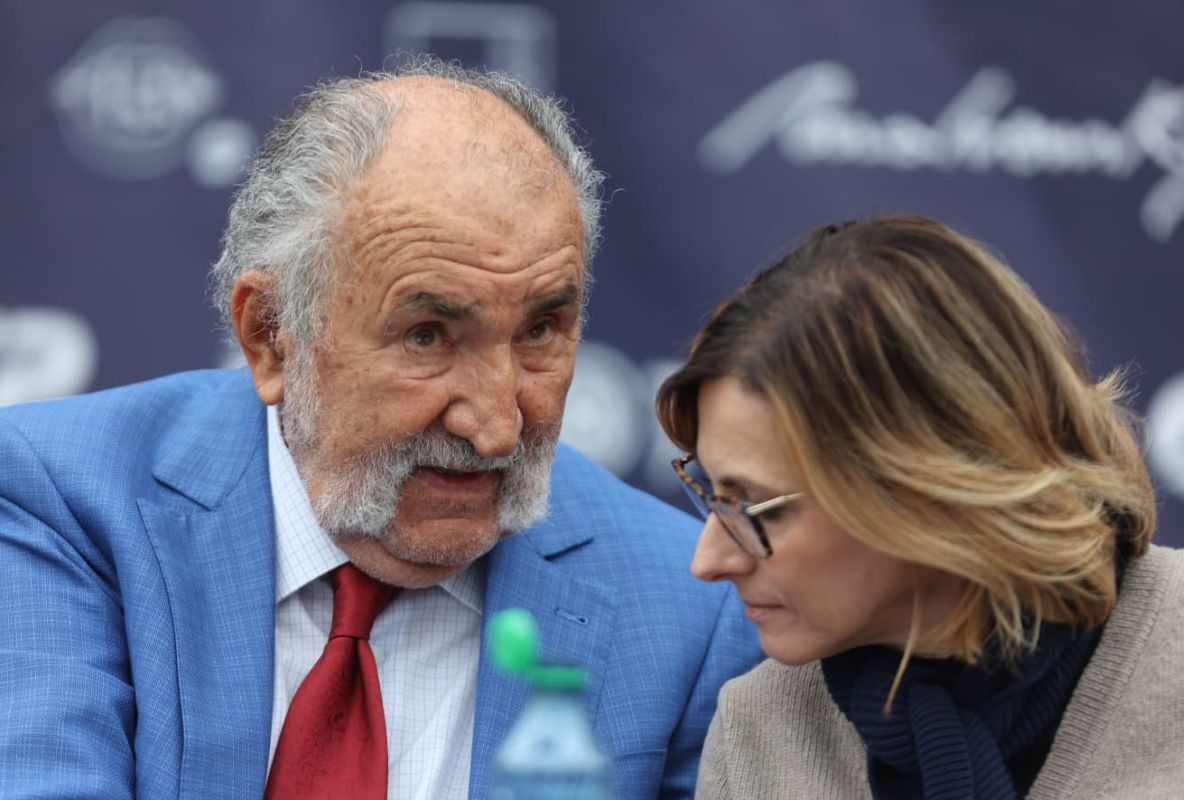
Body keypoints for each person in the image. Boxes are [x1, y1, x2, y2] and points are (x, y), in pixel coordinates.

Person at [0, 57, 760, 799]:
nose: (496, 428)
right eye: (428, 336)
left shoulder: (692, 609)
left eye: (540, 331)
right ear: (270, 336)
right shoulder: (63, 500)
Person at [656, 214, 1184, 799]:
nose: (708, 561)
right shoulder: (762, 727)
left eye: (759, 508)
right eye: (708, 491)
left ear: (931, 487)